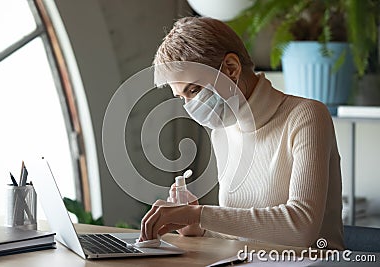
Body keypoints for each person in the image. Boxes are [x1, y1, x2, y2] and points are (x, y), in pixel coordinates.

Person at [139, 16, 344, 250]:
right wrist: (198, 228)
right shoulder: (222, 132)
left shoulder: (307, 116)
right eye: (183, 98)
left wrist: (198, 214)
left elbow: (301, 228)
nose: (191, 105)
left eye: (194, 90)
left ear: (231, 68)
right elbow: (243, 236)